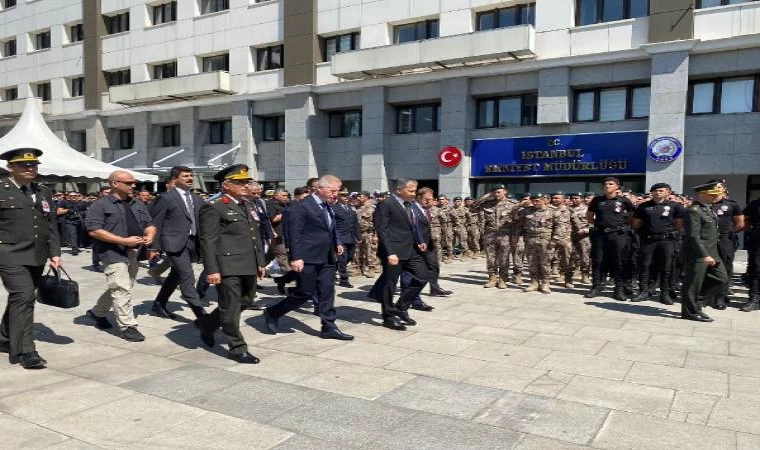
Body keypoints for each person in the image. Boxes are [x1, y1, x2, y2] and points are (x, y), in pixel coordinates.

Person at [264, 175, 354, 341]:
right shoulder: (301, 207)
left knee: (327, 292)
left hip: (327, 257)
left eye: (337, 191)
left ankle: (329, 326)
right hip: (307, 257)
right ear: (319, 189)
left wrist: (337, 242)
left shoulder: (328, 206)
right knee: (305, 292)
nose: (335, 194)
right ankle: (272, 312)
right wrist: (296, 257)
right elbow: (294, 234)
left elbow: (330, 227)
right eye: (332, 191)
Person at [197, 165, 266, 363]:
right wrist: (212, 269)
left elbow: (255, 237)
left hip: (247, 264)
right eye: (240, 182)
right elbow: (208, 241)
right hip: (227, 265)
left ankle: (208, 324)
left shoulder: (247, 205)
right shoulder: (214, 206)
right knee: (231, 306)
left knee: (246, 300)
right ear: (226, 185)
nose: (245, 185)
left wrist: (260, 261)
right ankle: (237, 348)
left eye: (246, 182)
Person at [0, 148, 62, 369]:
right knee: (25, 297)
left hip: (37, 255)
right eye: (23, 165)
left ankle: (5, 338)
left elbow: (50, 225)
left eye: (33, 165)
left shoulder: (43, 191)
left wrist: (55, 253)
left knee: (20, 299)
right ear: (10, 167)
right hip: (8, 255)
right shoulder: (1, 189)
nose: (29, 168)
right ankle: (25, 350)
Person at [85, 170, 156, 342]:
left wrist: (150, 235)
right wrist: (123, 241)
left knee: (122, 286)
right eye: (129, 183)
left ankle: (97, 312)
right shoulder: (100, 205)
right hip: (112, 253)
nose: (133, 186)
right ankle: (127, 326)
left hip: (134, 252)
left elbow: (149, 224)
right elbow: (94, 230)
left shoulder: (137, 204)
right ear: (114, 183)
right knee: (121, 288)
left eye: (134, 183)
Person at [148, 166, 209, 321]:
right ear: (175, 179)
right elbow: (156, 223)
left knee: (175, 275)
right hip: (173, 242)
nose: (190, 178)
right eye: (185, 176)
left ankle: (159, 304)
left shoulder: (197, 199)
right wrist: (154, 247)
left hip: (192, 243)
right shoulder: (166, 198)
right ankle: (202, 317)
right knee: (188, 277)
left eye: (191, 175)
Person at [373, 178, 431, 331]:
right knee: (390, 285)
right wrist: (390, 252)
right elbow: (382, 230)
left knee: (423, 275)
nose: (414, 194)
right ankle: (388, 317)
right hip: (394, 252)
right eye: (411, 191)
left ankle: (400, 306)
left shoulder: (410, 204)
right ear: (399, 190)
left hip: (411, 249)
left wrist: (419, 240)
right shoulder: (386, 204)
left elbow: (413, 225)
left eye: (415, 191)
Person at [680, 181, 729, 322]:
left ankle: (697, 303)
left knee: (721, 279)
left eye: (717, 194)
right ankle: (690, 312)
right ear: (701, 194)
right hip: (698, 253)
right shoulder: (693, 211)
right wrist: (704, 255)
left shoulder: (708, 209)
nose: (716, 196)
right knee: (693, 284)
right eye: (712, 194)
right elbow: (693, 236)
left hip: (712, 251)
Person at [631, 183, 685, 305]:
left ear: (668, 192)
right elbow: (636, 223)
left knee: (665, 267)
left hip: (666, 240)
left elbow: (679, 224)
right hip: (648, 240)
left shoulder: (675, 206)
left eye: (661, 190)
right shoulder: (644, 206)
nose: (657, 192)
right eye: (654, 191)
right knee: (645, 266)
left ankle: (664, 293)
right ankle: (644, 291)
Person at [585, 177, 635, 300]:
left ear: (617, 186)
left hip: (618, 235)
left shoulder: (624, 201)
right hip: (600, 235)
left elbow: (632, 217)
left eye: (610, 184)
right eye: (605, 184)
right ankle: (596, 287)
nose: (607, 185)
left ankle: (618, 289)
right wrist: (599, 225)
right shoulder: (597, 200)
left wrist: (621, 227)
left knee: (618, 262)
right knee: (598, 261)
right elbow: (590, 216)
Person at [474, 185, 519, 289]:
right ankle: (492, 278)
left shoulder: (512, 204)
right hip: (490, 234)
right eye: (495, 192)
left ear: (505, 192)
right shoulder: (487, 204)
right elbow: (472, 208)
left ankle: (503, 279)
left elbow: (517, 221)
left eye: (499, 192)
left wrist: (515, 235)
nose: (497, 194)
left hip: (505, 234)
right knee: (490, 259)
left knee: (504, 259)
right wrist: (485, 196)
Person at [710, 180, 743, 309]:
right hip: (707, 240)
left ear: (724, 189)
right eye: (713, 187)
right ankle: (708, 295)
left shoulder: (731, 205)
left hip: (725, 240)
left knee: (725, 268)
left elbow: (740, 223)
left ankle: (721, 297)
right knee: (708, 267)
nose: (716, 189)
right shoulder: (704, 205)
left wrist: (728, 233)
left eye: (719, 187)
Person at [517, 194, 558, 294]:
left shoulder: (552, 211)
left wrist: (554, 240)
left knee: (545, 263)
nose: (535, 203)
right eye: (533, 201)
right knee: (532, 263)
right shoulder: (526, 211)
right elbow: (515, 217)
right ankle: (534, 283)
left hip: (546, 240)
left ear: (544, 200)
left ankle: (545, 283)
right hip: (530, 239)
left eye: (537, 201)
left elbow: (559, 226)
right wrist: (520, 205)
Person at [333, 188, 361, 288]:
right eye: (343, 195)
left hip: (351, 237)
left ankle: (333, 270)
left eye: (346, 195)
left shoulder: (350, 208)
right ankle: (344, 280)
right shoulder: (334, 208)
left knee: (350, 256)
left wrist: (358, 235)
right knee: (343, 259)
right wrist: (337, 240)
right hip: (340, 238)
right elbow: (333, 225)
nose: (346, 197)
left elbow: (355, 223)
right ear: (338, 196)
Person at [740, 194, 760, 312]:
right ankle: (754, 299)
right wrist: (752, 232)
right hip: (758, 240)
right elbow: (744, 219)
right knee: (756, 269)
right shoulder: (755, 204)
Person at [550, 192, 574, 288]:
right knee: (547, 260)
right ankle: (544, 281)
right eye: (553, 198)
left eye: (557, 198)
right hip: (549, 239)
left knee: (567, 260)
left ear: (563, 199)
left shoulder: (570, 210)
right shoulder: (548, 210)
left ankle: (568, 280)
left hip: (565, 239)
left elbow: (576, 224)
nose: (554, 199)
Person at [569, 193, 591, 285]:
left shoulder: (588, 209)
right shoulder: (567, 209)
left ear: (582, 199)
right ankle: (568, 275)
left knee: (585, 256)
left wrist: (585, 230)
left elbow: (594, 223)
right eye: (572, 198)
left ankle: (585, 275)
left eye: (576, 198)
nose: (574, 200)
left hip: (583, 236)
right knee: (570, 255)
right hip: (569, 235)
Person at [355, 191, 379, 277]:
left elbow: (377, 223)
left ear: (366, 197)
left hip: (370, 233)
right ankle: (359, 268)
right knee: (358, 252)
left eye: (360, 196)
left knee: (370, 252)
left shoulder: (373, 208)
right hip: (359, 233)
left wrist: (376, 235)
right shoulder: (357, 208)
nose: (358, 198)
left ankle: (372, 269)